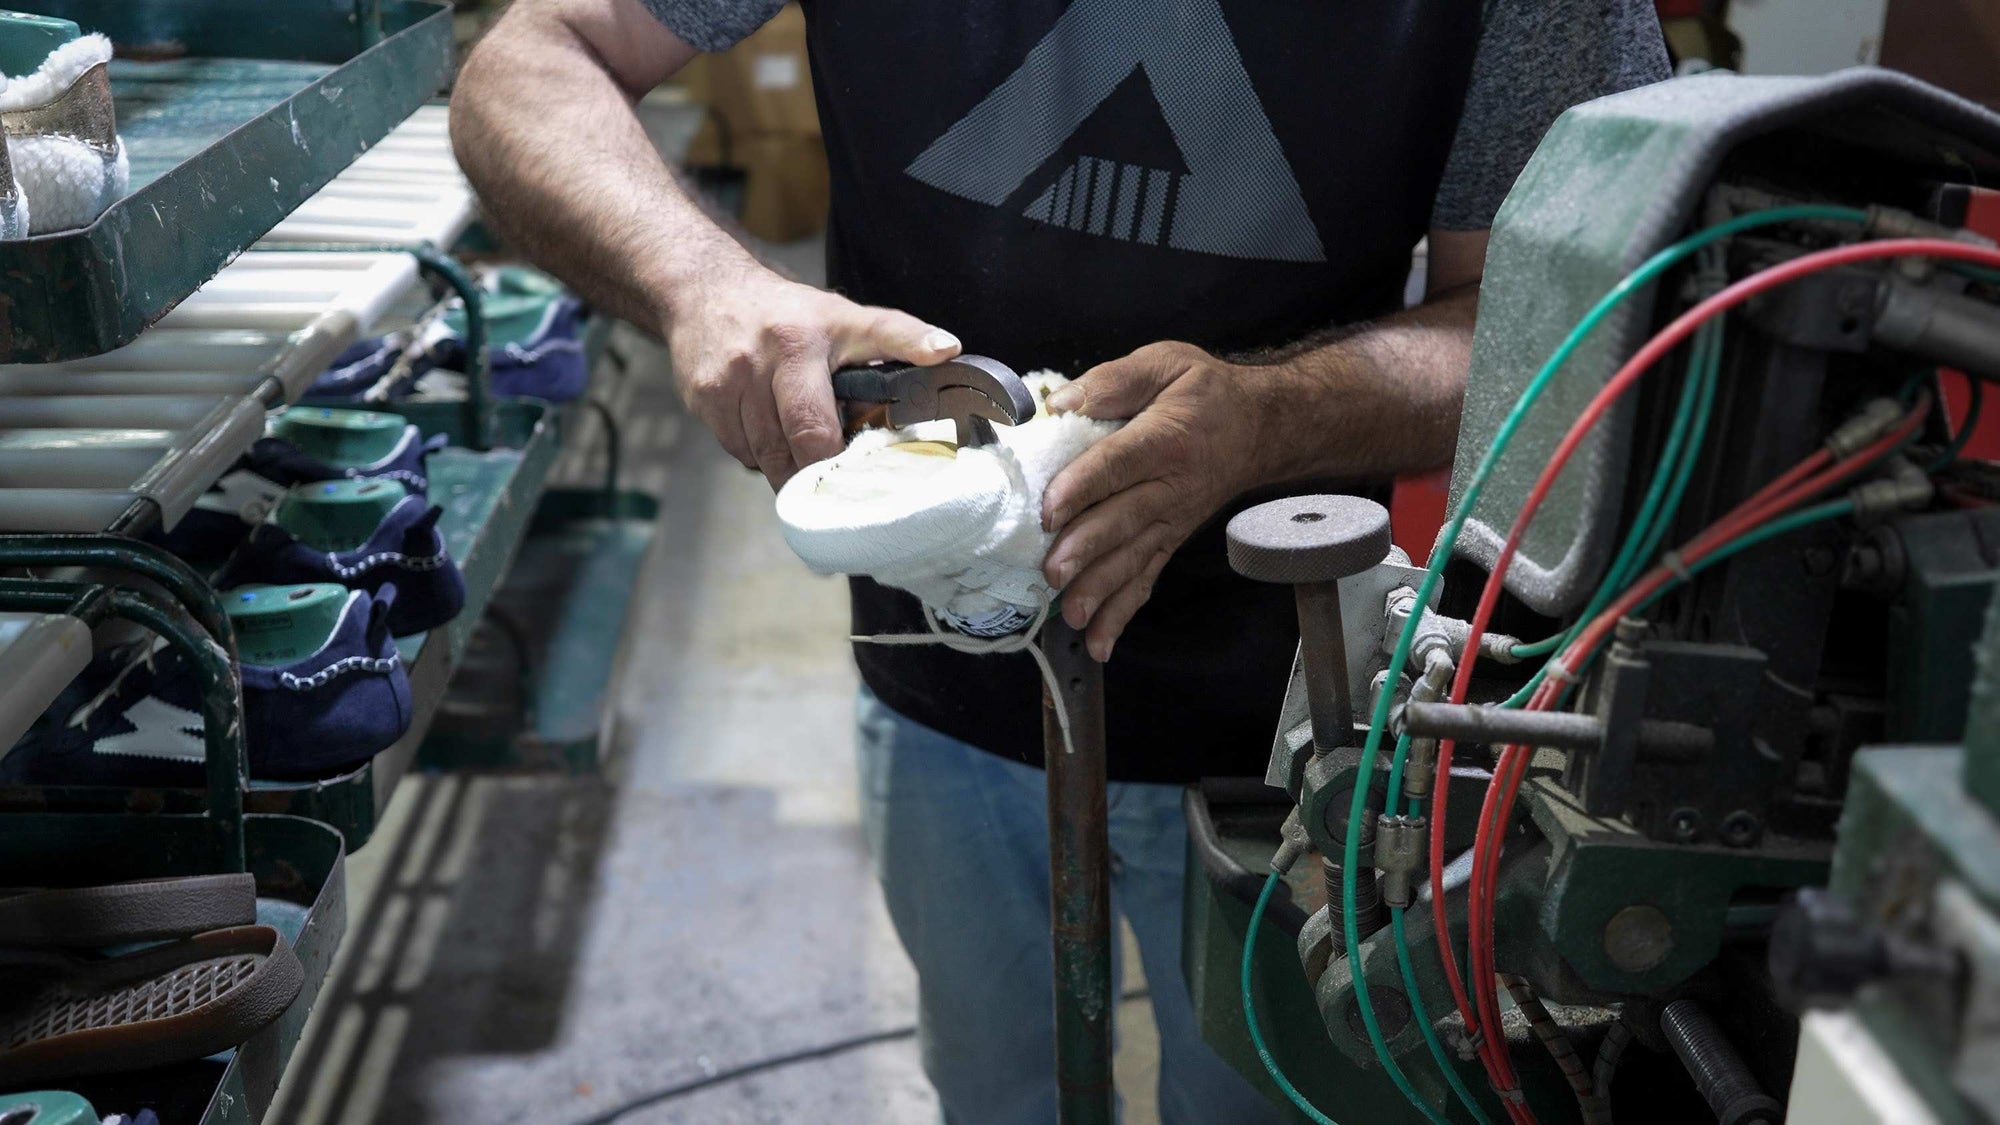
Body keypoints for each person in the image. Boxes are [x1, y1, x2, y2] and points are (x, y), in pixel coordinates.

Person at [451, 2, 1669, 1119]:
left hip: (1294, 735)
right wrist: (704, 285)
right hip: (948, 689)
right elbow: (529, 59)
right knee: (994, 1084)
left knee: (1261, 1094)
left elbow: (1537, 321)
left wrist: (1271, 415)